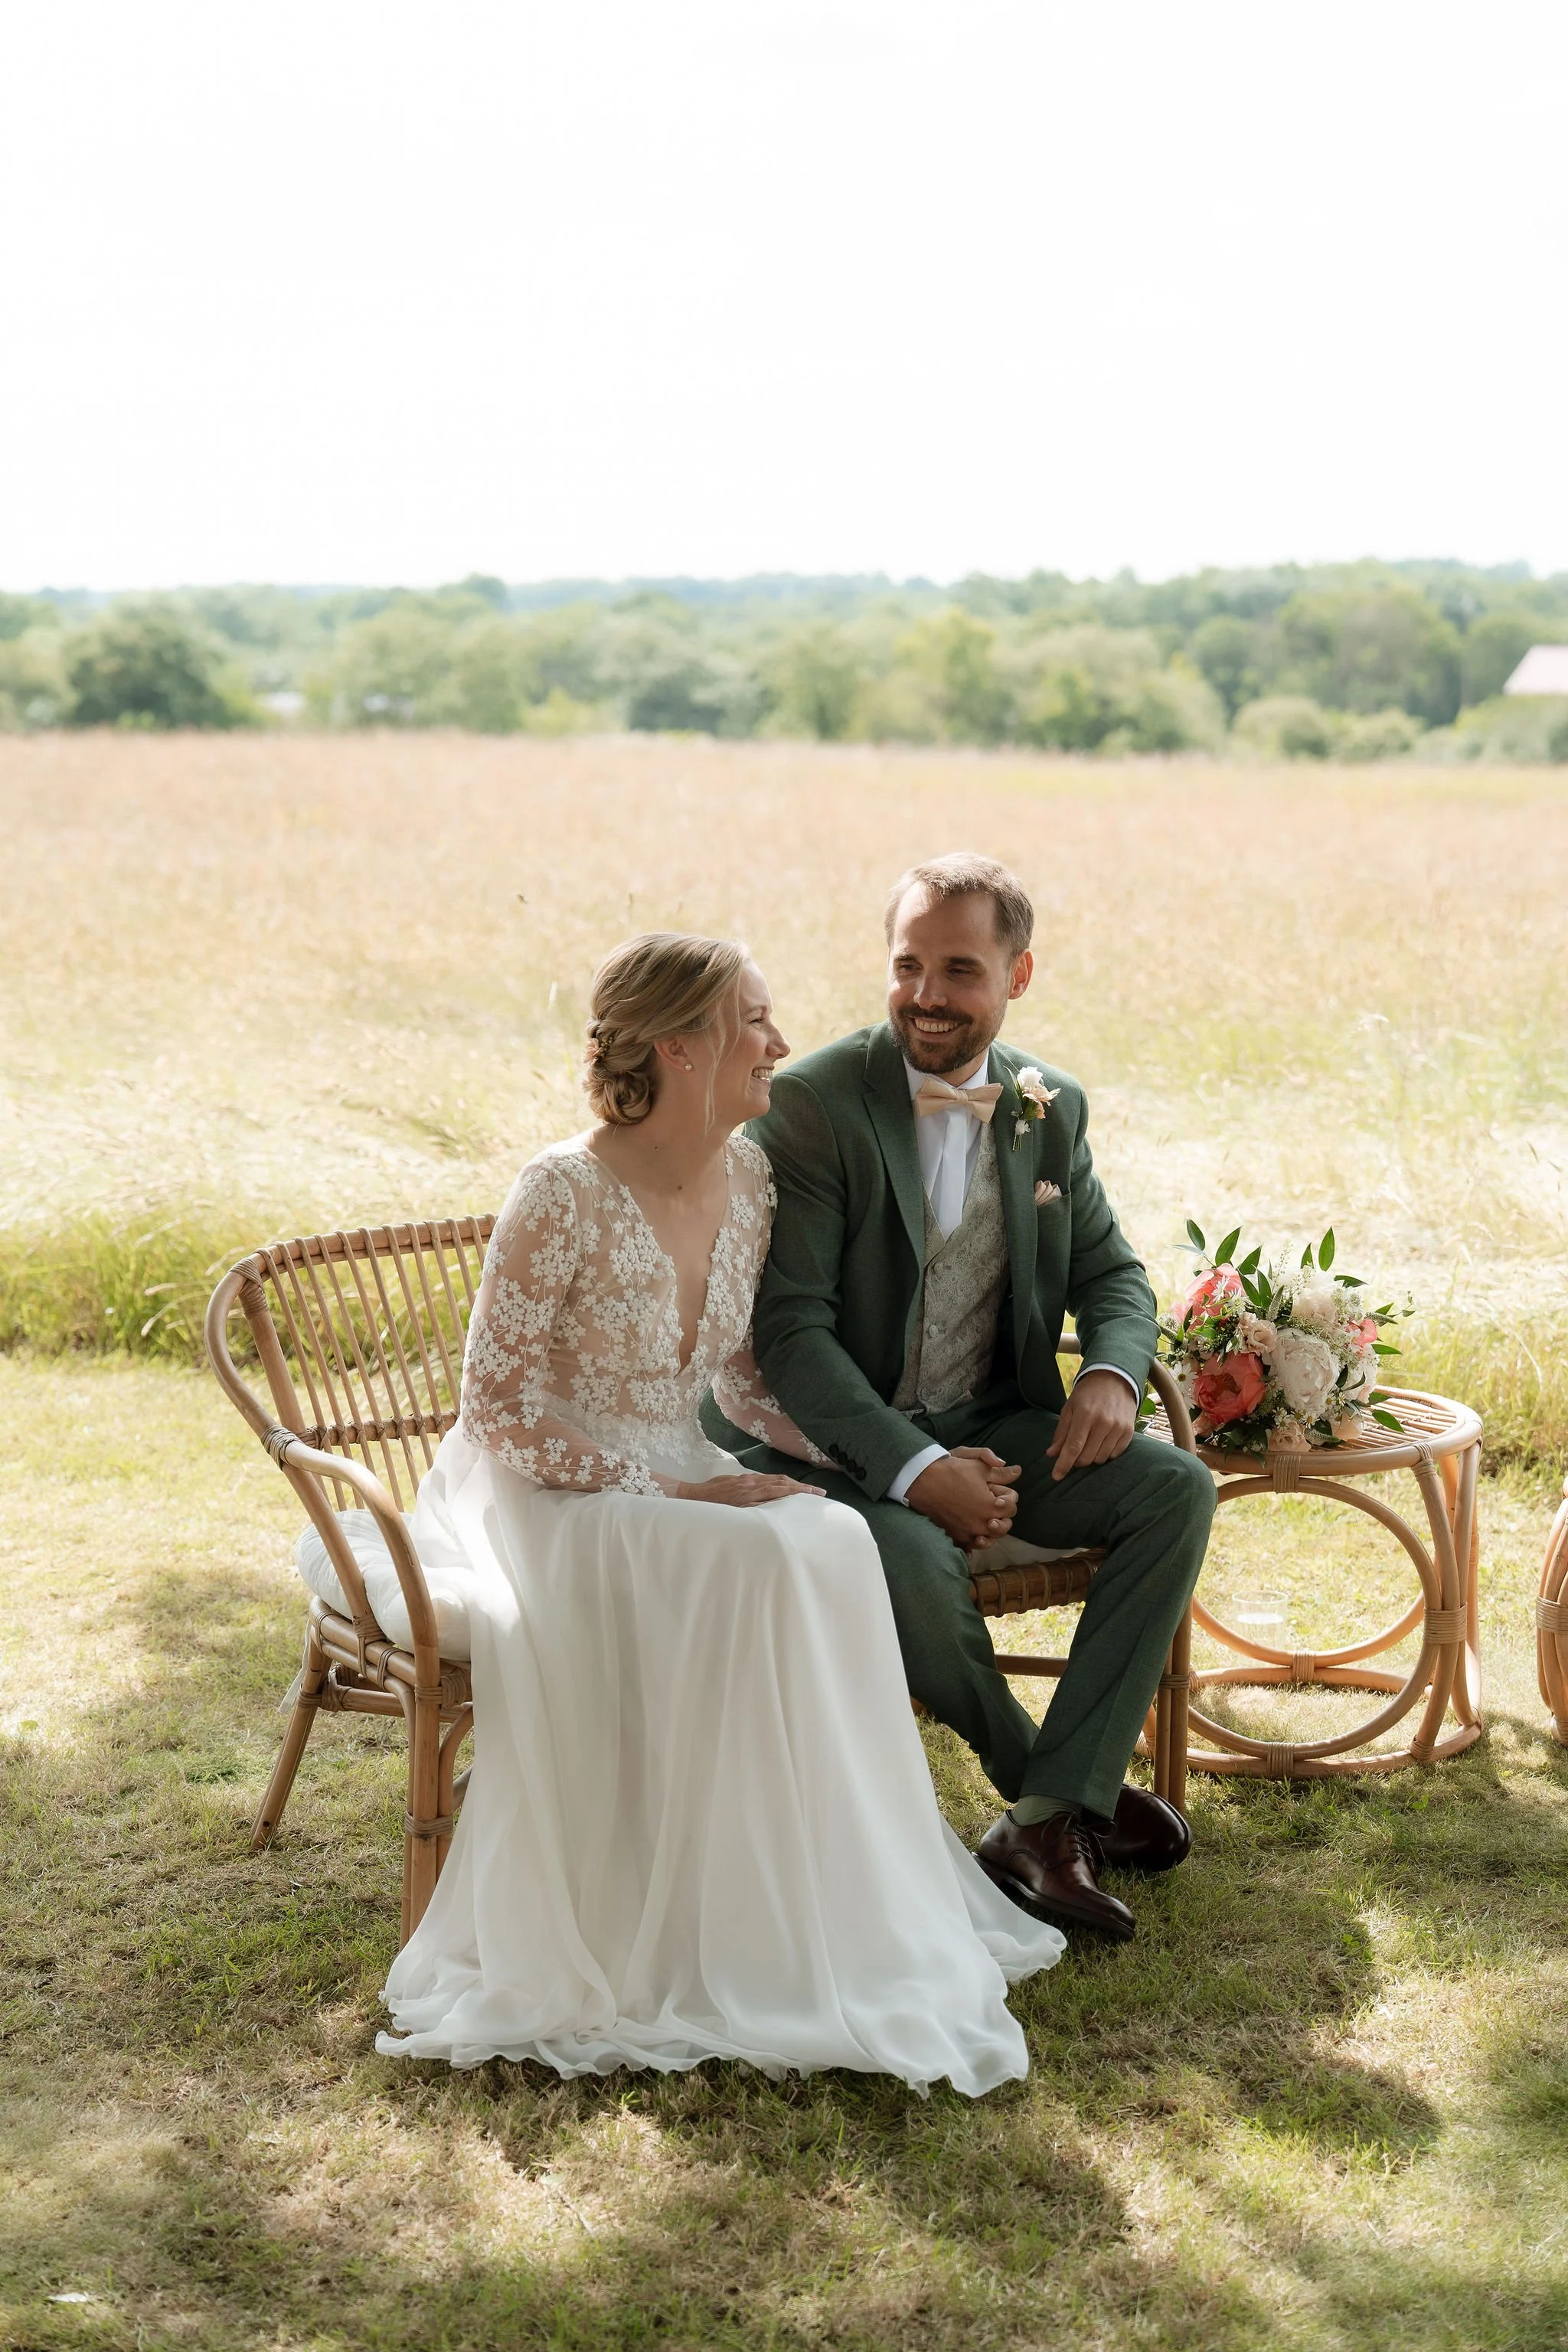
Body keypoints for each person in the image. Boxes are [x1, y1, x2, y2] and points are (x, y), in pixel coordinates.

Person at [377, 931, 1064, 2093]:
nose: (780, 1045)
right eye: (755, 1020)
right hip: (545, 1494)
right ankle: (701, 1930)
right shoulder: (560, 1191)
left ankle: (812, 1900)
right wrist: (678, 1487)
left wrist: (860, 1467)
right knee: (749, 1557)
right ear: (682, 1047)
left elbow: (742, 1379)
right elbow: (493, 1410)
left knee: (829, 1535)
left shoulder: (747, 1178)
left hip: (675, 1466)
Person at [704, 855, 1216, 1942]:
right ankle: (1054, 1796)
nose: (926, 995)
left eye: (959, 970)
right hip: (817, 1439)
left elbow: (1113, 1275)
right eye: (907, 965)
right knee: (918, 1561)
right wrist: (916, 1470)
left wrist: (1116, 1375)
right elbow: (788, 1333)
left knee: (1173, 1490)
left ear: (1016, 976)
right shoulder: (812, 1106)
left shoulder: (1047, 1103)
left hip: (991, 1418)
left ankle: (1036, 1824)